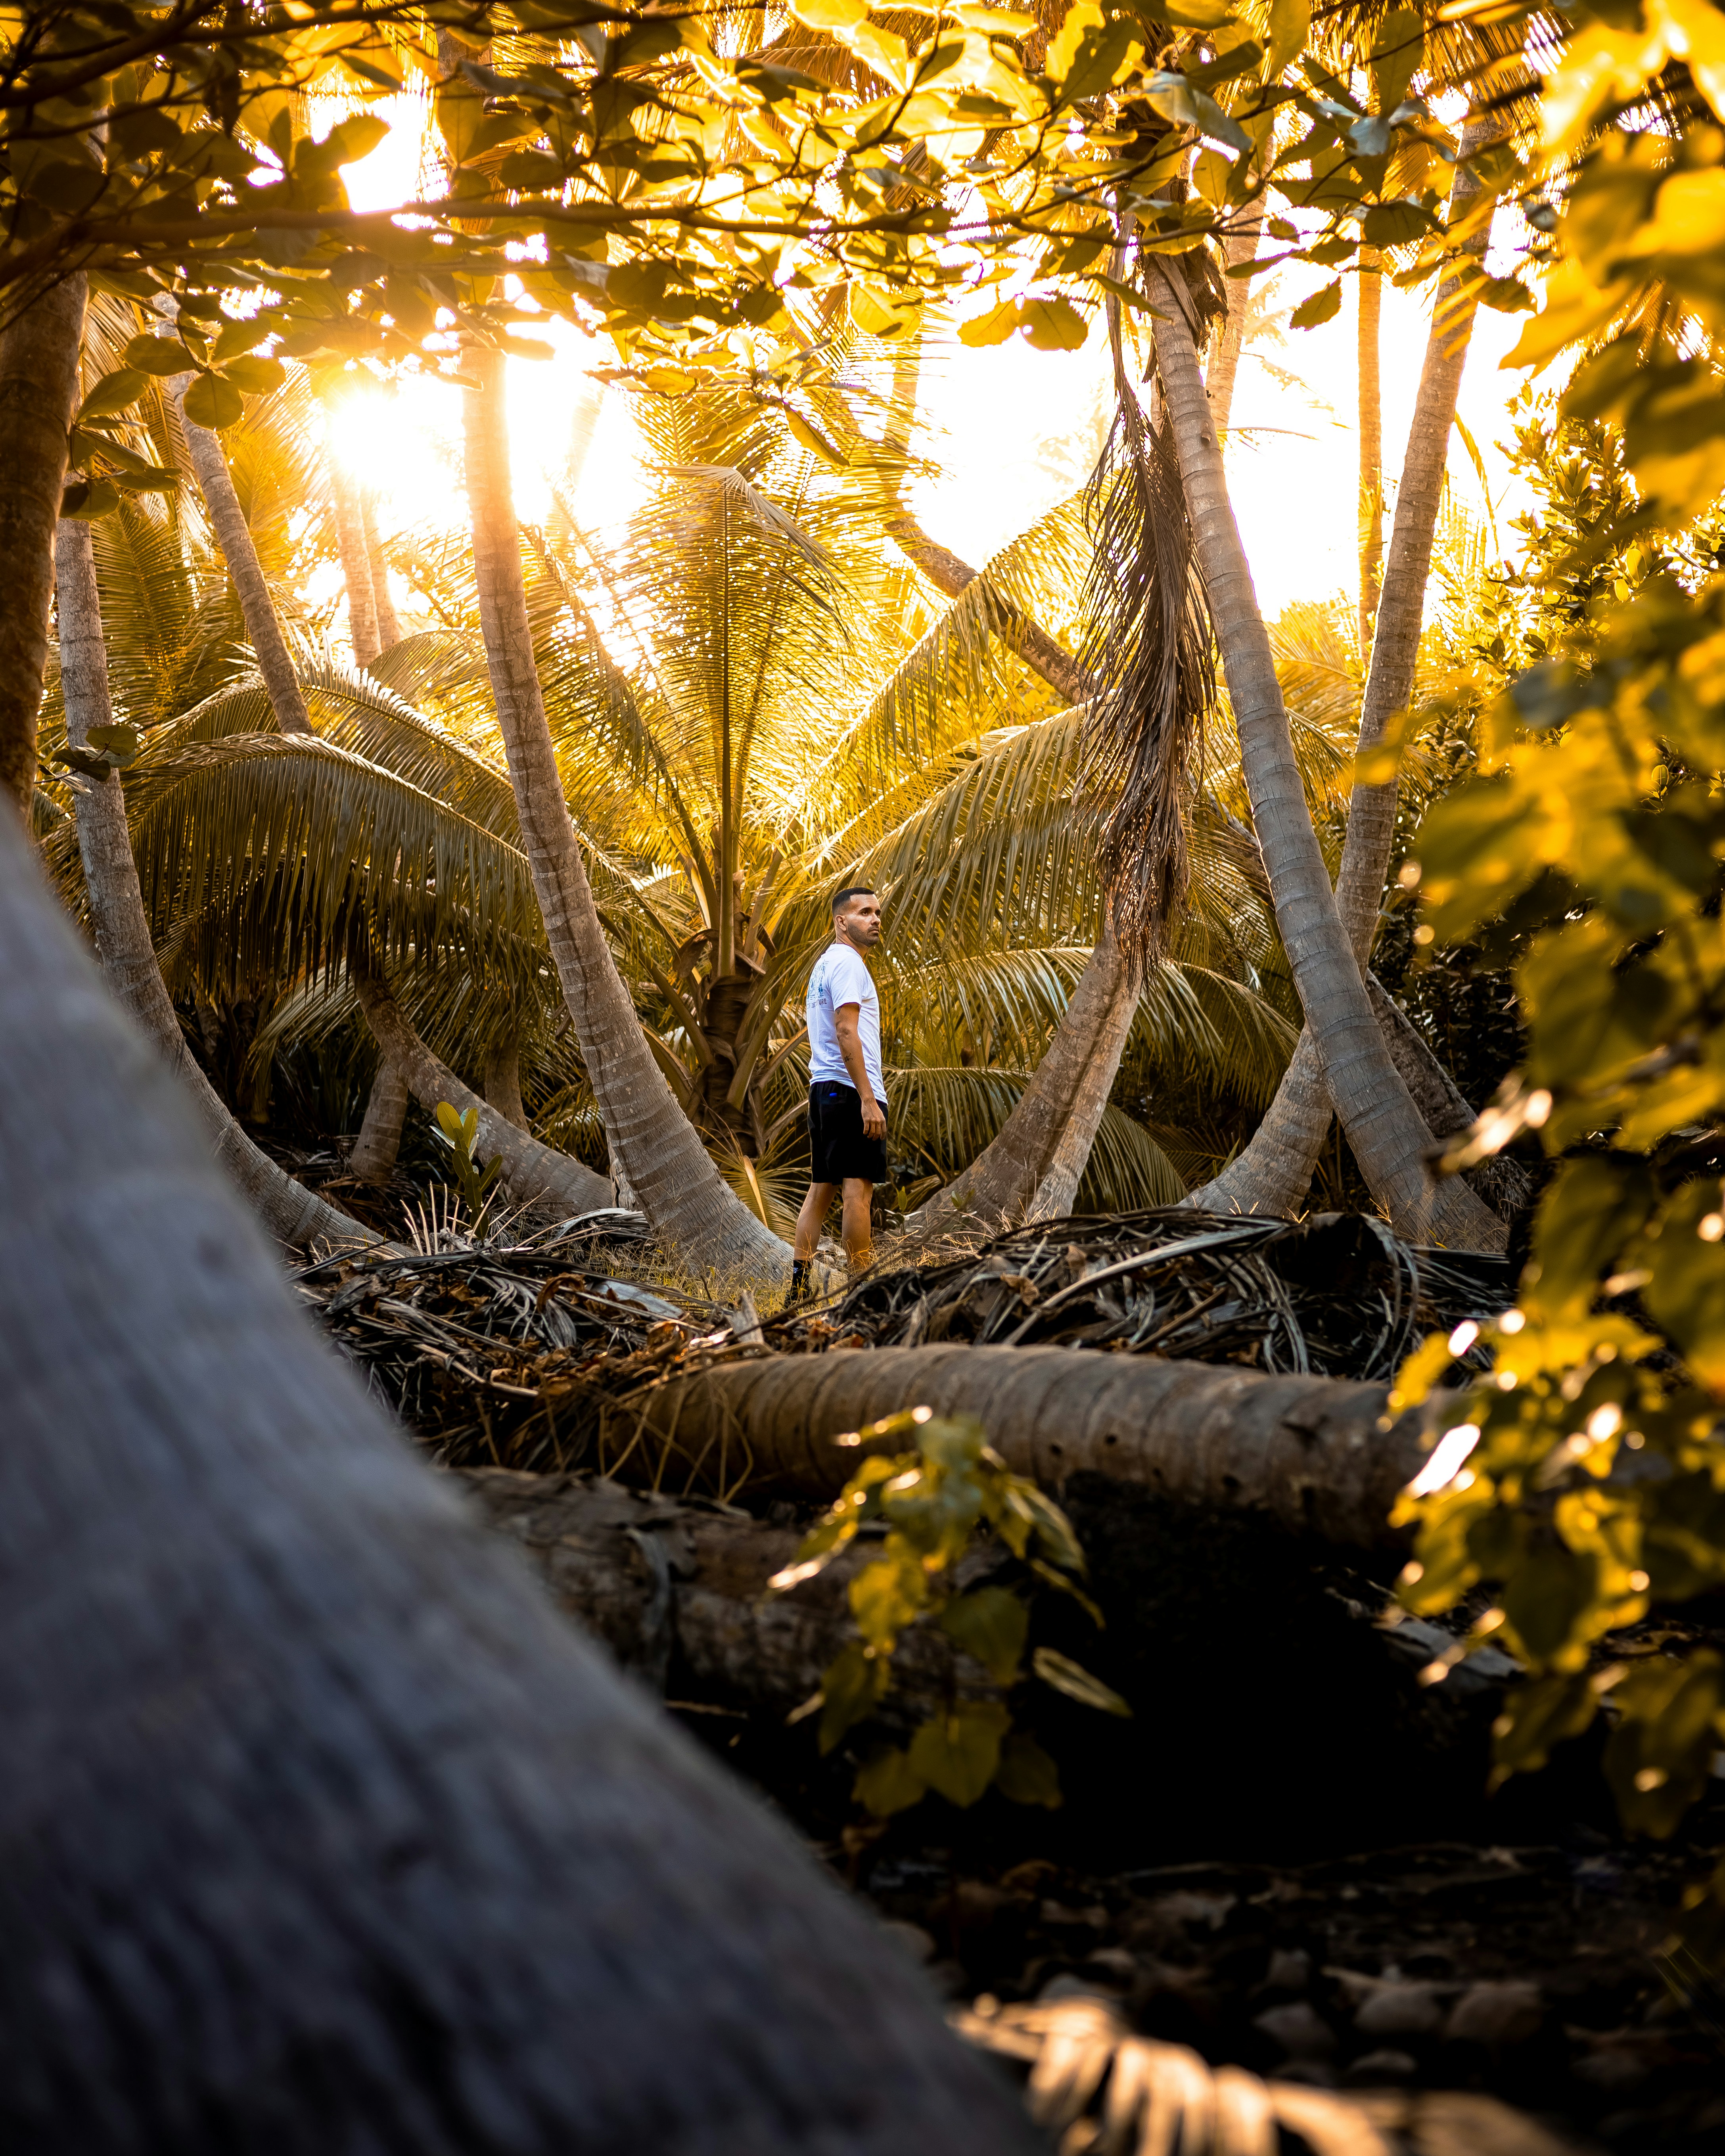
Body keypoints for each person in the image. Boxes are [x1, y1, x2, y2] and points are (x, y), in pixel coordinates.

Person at [791, 886, 886, 1301]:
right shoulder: (848, 963)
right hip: (849, 1089)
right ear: (841, 922)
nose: (876, 919)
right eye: (865, 912)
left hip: (824, 1088)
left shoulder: (825, 964)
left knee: (822, 1188)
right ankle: (860, 1287)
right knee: (857, 1191)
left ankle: (797, 1289)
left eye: (878, 912)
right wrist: (868, 1098)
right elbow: (847, 1030)